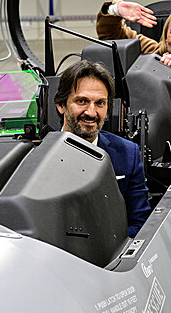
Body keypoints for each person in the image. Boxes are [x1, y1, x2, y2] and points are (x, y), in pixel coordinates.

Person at [54, 60, 150, 237]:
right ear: (61, 105)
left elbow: (140, 224)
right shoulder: (37, 158)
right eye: (82, 101)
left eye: (100, 103)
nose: (91, 112)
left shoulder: (128, 154)